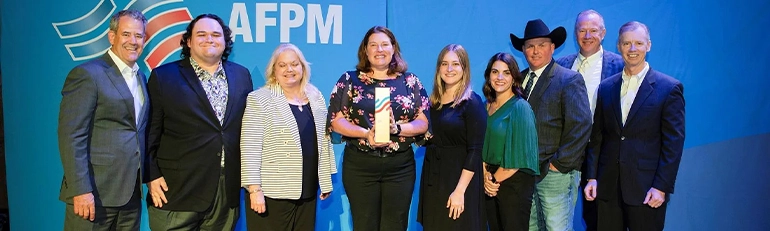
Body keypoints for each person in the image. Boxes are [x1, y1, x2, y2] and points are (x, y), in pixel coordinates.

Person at [144, 14, 253, 230]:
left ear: (225, 41)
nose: (209, 39)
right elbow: (149, 132)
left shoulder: (242, 75)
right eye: (201, 34)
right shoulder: (164, 76)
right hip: (176, 190)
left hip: (225, 190)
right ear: (188, 41)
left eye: (216, 34)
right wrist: (151, 175)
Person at [584, 21, 685, 231]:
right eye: (627, 43)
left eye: (638, 43)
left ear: (648, 46)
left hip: (647, 190)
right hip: (608, 188)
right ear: (619, 46)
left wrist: (661, 187)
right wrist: (592, 177)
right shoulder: (606, 87)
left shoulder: (669, 88)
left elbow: (673, 144)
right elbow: (598, 137)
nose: (632, 49)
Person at [327, 25, 429, 231]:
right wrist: (366, 133)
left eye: (384, 44)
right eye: (373, 45)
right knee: (364, 225)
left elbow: (423, 122)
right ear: (365, 50)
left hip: (399, 167)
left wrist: (397, 129)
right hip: (360, 166)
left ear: (394, 49)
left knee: (395, 225)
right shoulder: (349, 80)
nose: (379, 49)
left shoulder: (410, 82)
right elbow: (336, 120)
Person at [58, 9, 148, 231]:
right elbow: (71, 136)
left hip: (130, 196)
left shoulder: (141, 77)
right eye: (126, 34)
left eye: (139, 36)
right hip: (94, 195)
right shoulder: (88, 74)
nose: (133, 41)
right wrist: (80, 189)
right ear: (112, 36)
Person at [240, 43, 337, 231]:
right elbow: (250, 147)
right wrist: (254, 189)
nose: (289, 69)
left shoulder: (315, 96)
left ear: (303, 67)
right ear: (273, 70)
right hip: (271, 194)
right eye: (282, 65)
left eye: (294, 64)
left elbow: (324, 141)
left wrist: (324, 181)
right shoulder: (260, 99)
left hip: (306, 191)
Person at [509, 19, 592, 231]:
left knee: (557, 228)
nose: (535, 51)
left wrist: (559, 165)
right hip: (525, 174)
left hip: (555, 174)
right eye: (530, 46)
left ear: (552, 47)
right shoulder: (518, 81)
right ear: (523, 50)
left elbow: (580, 126)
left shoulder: (569, 79)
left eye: (541, 45)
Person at [554, 10, 624, 231]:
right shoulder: (561, 65)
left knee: (600, 216)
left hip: (604, 152)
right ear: (576, 34)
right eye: (582, 30)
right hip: (566, 151)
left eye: (593, 30)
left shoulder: (620, 65)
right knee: (558, 214)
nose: (587, 35)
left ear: (603, 33)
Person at [418, 44, 486, 231]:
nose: (449, 69)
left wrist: (460, 190)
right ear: (438, 68)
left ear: (464, 68)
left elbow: (475, 150)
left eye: (455, 64)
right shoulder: (433, 103)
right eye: (444, 64)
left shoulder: (472, 102)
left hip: (459, 179)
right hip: (434, 178)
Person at [481, 52, 540, 231]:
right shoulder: (485, 106)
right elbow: (480, 144)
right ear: (488, 75)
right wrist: (485, 176)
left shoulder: (520, 107)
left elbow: (520, 154)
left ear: (514, 77)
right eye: (495, 72)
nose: (499, 77)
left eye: (506, 73)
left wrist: (493, 180)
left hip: (514, 182)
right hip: (488, 180)